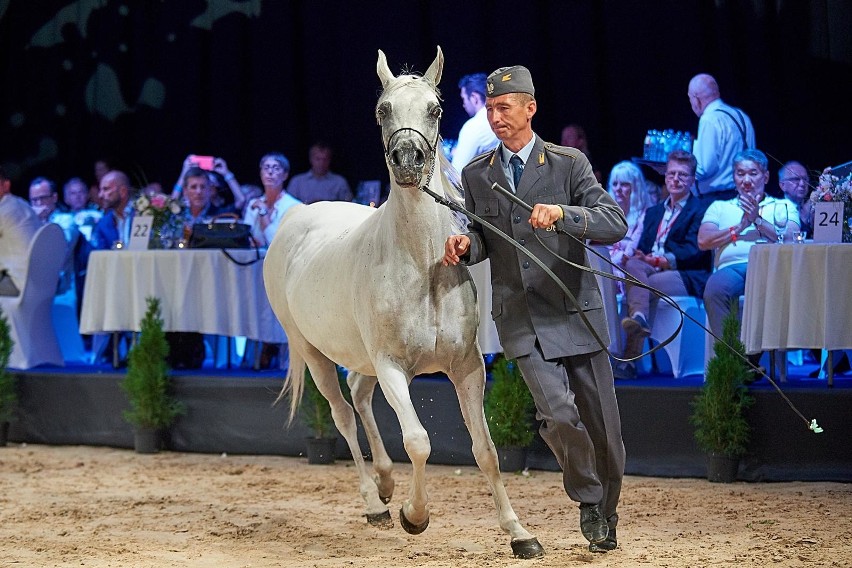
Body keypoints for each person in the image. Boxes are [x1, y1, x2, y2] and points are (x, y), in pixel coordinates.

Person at [442, 65, 627, 553]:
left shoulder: (569, 164)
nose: (495, 116)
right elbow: (483, 237)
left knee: (605, 429)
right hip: (521, 317)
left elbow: (614, 222)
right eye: (490, 108)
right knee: (559, 415)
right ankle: (588, 498)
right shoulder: (476, 174)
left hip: (574, 310)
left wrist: (567, 214)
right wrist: (466, 244)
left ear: (530, 108)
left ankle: (606, 514)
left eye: (505, 107)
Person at [615, 151, 712, 378]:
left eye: (682, 175)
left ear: (692, 179)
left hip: (685, 273)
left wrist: (660, 260)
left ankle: (629, 359)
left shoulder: (701, 210)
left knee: (643, 284)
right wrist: (640, 255)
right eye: (671, 174)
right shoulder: (653, 212)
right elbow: (644, 248)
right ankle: (638, 318)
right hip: (648, 270)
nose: (676, 179)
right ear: (665, 176)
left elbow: (695, 250)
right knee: (633, 267)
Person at [698, 149, 799, 358]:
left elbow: (791, 238)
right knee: (714, 289)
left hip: (771, 268)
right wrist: (739, 226)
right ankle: (735, 361)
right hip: (732, 268)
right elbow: (704, 240)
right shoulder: (719, 207)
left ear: (766, 177)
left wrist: (757, 220)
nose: (746, 180)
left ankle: (745, 361)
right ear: (734, 177)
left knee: (765, 286)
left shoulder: (782, 205)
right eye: (740, 173)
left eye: (753, 173)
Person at [688, 74, 756, 202]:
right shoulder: (741, 116)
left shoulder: (709, 119)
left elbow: (703, 169)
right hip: (743, 196)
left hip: (715, 201)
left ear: (697, 99)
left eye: (690, 98)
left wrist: (675, 169)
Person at [243, 153, 301, 247]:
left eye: (276, 168)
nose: (270, 172)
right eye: (266, 168)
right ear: (261, 173)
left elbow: (277, 244)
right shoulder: (253, 204)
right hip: (253, 259)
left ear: (285, 175)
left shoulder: (293, 206)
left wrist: (263, 211)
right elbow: (245, 238)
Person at [0, 165, 41, 296]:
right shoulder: (23, 205)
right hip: (42, 282)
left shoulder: (4, 210)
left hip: (18, 284)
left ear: (6, 185)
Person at [606, 161, 650, 270]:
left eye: (624, 184)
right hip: (604, 264)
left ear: (635, 187)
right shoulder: (609, 212)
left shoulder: (644, 216)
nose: (618, 189)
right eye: (615, 184)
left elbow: (628, 254)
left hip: (624, 269)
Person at [451, 73, 499, 172]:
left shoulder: (474, 127)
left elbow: (457, 175)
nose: (464, 105)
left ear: (474, 97)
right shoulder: (509, 121)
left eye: (464, 99)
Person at [286, 143, 352, 204]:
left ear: (330, 160)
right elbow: (290, 206)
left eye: (325, 159)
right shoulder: (297, 181)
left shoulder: (339, 182)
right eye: (318, 159)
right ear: (311, 159)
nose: (321, 163)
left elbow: (348, 205)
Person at [90, 170, 133, 250]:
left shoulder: (144, 214)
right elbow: (100, 256)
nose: (100, 195)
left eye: (106, 189)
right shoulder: (103, 223)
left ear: (123, 191)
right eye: (100, 190)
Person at [778, 161, 812, 236]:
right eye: (796, 179)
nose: (802, 184)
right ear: (782, 185)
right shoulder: (776, 210)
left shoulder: (812, 207)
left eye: (805, 179)